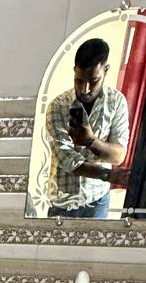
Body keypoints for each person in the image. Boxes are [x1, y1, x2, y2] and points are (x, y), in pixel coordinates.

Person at [43, 37, 129, 218]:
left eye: (93, 80)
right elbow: (67, 159)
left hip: (98, 199)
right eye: (79, 80)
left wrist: (90, 141)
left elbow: (118, 156)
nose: (85, 89)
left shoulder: (116, 102)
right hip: (63, 201)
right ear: (74, 70)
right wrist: (109, 175)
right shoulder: (58, 106)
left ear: (106, 70)